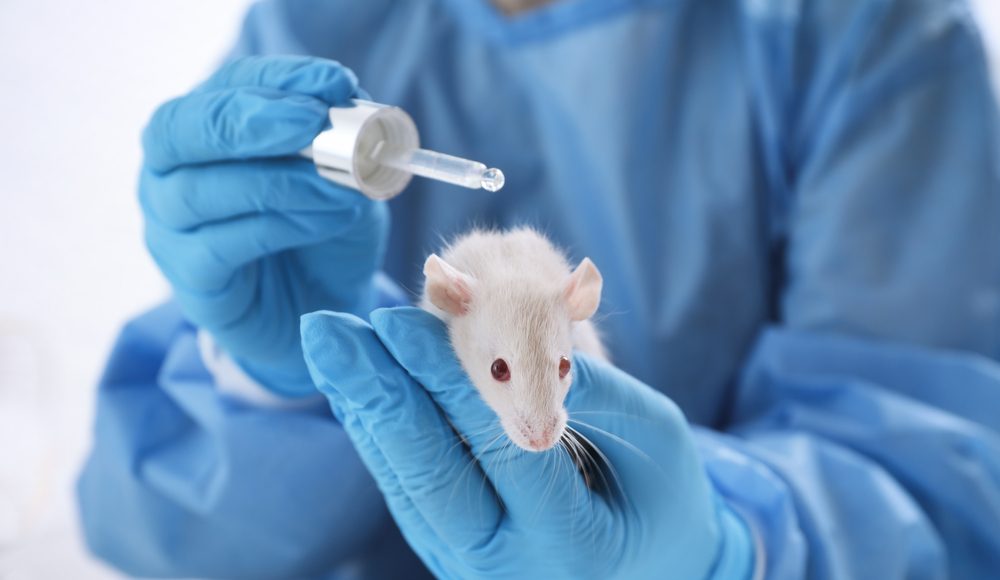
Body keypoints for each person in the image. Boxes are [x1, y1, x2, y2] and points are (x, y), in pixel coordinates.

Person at [77, 0, 1000, 578]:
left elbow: (946, 477)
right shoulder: (321, 25)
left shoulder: (860, 33)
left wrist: (734, 549)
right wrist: (265, 381)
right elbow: (157, 531)